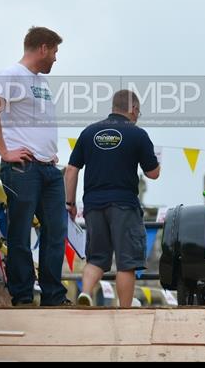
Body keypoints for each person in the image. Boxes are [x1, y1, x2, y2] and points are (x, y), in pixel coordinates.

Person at [0, 26, 68, 306]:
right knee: (19, 231)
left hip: (48, 168)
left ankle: (53, 295)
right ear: (43, 48)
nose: (56, 58)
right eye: (54, 51)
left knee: (56, 230)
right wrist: (4, 151)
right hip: (23, 168)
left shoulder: (40, 83)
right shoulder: (11, 74)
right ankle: (22, 295)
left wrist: (49, 152)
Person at [65, 90, 160, 308]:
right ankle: (124, 309)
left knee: (96, 258)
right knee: (127, 262)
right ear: (133, 109)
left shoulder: (89, 132)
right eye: (138, 112)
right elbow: (153, 173)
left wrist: (69, 204)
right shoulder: (137, 134)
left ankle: (86, 294)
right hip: (124, 205)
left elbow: (71, 169)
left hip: (93, 205)